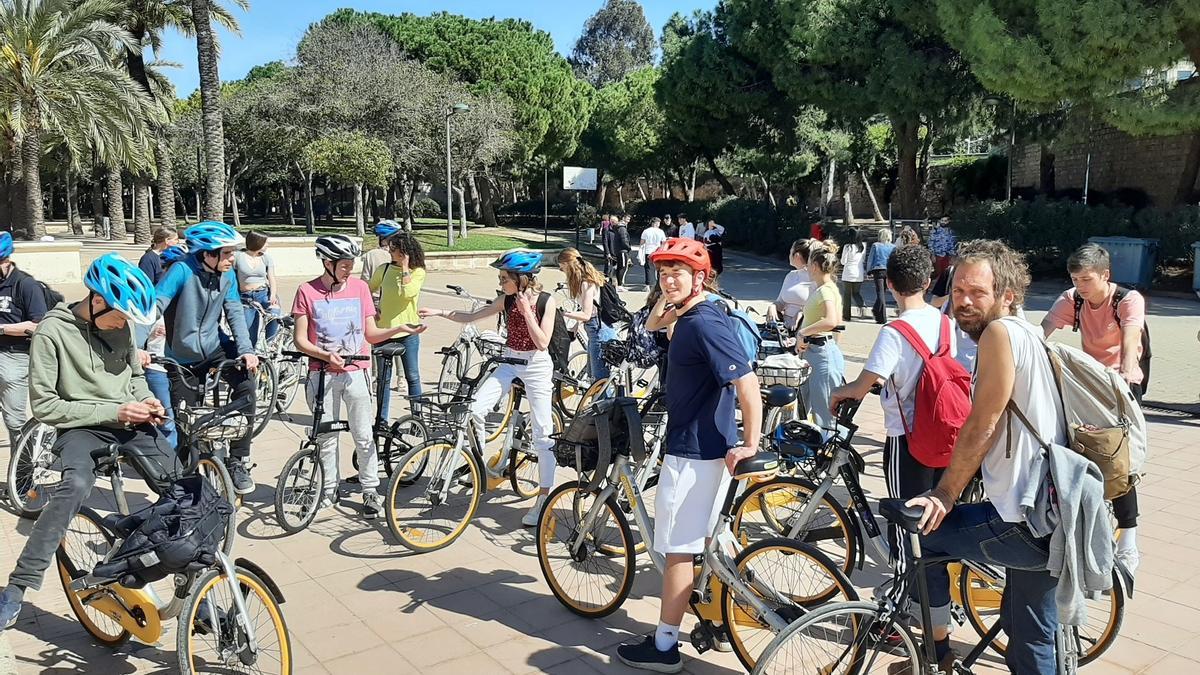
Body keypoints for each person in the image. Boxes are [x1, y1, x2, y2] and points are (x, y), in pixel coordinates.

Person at [906, 239, 1071, 674]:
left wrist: (944, 493)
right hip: (1052, 513)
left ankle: (936, 653)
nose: (963, 301)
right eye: (958, 290)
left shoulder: (999, 334)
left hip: (1021, 517)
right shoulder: (1030, 332)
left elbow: (983, 424)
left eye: (977, 292)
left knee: (927, 536)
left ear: (1007, 295)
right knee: (1031, 633)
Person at [0, 254, 170, 630]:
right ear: (96, 301)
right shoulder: (52, 333)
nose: (122, 326)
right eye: (119, 317)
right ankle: (18, 585)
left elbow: (134, 375)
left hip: (128, 418)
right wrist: (116, 412)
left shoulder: (120, 327)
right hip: (78, 427)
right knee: (74, 486)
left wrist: (146, 400)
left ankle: (188, 577)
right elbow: (45, 406)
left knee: (180, 485)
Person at [616, 237, 761, 673]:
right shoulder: (693, 313)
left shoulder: (703, 324)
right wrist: (671, 297)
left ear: (701, 276)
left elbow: (748, 386)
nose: (668, 279)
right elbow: (650, 326)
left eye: (678, 272)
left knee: (678, 552)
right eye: (662, 273)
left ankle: (663, 646)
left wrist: (750, 444)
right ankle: (719, 620)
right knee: (707, 542)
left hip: (695, 453)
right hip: (701, 447)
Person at [829, 245, 956, 661]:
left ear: (889, 284)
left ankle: (904, 622)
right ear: (927, 281)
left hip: (909, 441)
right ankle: (937, 605)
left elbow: (864, 383)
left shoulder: (895, 331)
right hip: (948, 439)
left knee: (908, 537)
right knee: (937, 529)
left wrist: (840, 392)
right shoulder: (945, 323)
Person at [418, 250, 558, 527]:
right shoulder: (505, 300)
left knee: (543, 434)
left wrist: (527, 312)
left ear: (523, 279)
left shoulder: (545, 301)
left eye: (504, 278)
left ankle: (544, 496)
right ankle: (479, 465)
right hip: (508, 361)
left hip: (536, 365)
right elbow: (473, 316)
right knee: (474, 409)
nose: (500, 282)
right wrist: (439, 312)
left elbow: (542, 342)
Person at [292, 235, 426, 518]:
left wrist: (401, 327)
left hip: (357, 372)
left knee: (364, 436)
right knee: (326, 437)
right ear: (327, 263)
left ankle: (370, 490)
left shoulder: (360, 289)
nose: (349, 269)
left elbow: (371, 333)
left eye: (352, 263)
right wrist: (326, 355)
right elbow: (300, 341)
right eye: (343, 264)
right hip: (322, 374)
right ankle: (328, 490)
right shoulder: (307, 291)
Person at [1041, 243, 1144, 574]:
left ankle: (1129, 539)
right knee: (1078, 448)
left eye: (1086, 279)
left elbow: (1130, 341)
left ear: (1105, 275)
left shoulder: (1127, 300)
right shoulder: (1073, 299)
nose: (1080, 286)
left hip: (1122, 383)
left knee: (1116, 460)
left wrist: (1126, 374)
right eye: (1075, 279)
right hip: (1089, 383)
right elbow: (1041, 333)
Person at [156, 221, 259, 494]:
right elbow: (155, 306)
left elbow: (235, 312)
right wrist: (138, 346)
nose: (232, 258)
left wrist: (246, 350)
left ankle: (238, 459)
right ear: (207, 254)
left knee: (247, 385)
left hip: (215, 348)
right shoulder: (181, 271)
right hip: (181, 355)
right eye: (226, 253)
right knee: (183, 424)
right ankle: (184, 482)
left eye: (232, 253)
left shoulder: (226, 276)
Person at [368, 231, 427, 420]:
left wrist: (405, 268)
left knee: (412, 376)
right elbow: (367, 289)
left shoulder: (418, 272)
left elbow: (408, 293)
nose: (390, 252)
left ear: (405, 252)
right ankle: (382, 420)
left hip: (409, 331)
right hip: (384, 331)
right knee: (384, 380)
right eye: (390, 248)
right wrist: (372, 308)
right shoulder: (383, 269)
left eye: (394, 249)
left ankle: (417, 419)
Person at [139, 244, 189, 449]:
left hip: (184, 368)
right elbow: (137, 331)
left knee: (185, 417)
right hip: (156, 367)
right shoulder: (151, 302)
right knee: (166, 418)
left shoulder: (191, 300)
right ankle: (168, 462)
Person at [0, 232, 48, 446]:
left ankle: (23, 475)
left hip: (14, 355)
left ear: (6, 260)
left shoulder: (26, 285)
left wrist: (2, 329)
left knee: (14, 421)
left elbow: (39, 325)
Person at [797, 244, 845, 430]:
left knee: (825, 416)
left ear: (815, 267)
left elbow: (831, 321)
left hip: (821, 354)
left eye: (809, 264)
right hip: (817, 352)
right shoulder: (827, 288)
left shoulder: (825, 290)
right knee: (811, 407)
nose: (807, 268)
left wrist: (803, 332)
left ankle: (830, 455)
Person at [557, 248, 617, 381]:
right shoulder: (581, 282)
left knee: (599, 379)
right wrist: (575, 326)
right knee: (592, 377)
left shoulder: (586, 283)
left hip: (599, 330)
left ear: (568, 265)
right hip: (593, 329)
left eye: (562, 268)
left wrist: (564, 314)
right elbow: (585, 308)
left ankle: (608, 401)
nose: (562, 272)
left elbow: (586, 314)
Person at [235, 231, 279, 346]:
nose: (267, 245)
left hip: (263, 293)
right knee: (250, 335)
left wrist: (273, 295)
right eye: (265, 242)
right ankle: (252, 356)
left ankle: (270, 344)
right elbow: (232, 278)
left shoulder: (266, 258)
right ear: (257, 242)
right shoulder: (238, 257)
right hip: (246, 297)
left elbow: (271, 278)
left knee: (275, 313)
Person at [767, 239, 819, 334]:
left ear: (797, 255)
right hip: (785, 328)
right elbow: (781, 302)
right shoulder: (791, 275)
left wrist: (802, 312)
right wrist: (773, 306)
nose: (789, 254)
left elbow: (820, 308)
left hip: (805, 330)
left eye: (791, 251)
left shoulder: (816, 278)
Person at [867, 228, 896, 324]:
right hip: (888, 270)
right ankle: (876, 310)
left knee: (880, 292)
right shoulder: (893, 247)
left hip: (878, 270)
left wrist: (868, 271)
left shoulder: (876, 245)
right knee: (882, 291)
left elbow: (871, 259)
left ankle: (882, 316)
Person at [361, 220, 403, 285]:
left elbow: (364, 281)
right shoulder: (403, 254)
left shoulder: (371, 254)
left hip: (375, 293)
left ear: (382, 238)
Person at [840, 228, 867, 321]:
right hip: (858, 273)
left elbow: (843, 261)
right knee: (856, 293)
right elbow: (863, 260)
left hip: (848, 273)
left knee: (847, 295)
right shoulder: (863, 246)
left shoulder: (847, 247)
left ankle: (846, 316)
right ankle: (862, 306)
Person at [929, 215, 957, 296]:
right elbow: (930, 243)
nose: (944, 222)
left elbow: (953, 244)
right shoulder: (935, 231)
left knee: (946, 273)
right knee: (938, 272)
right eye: (942, 220)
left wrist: (953, 255)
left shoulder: (951, 231)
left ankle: (944, 291)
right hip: (938, 254)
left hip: (948, 255)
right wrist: (932, 254)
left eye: (946, 221)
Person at [638, 217, 667, 288]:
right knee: (659, 268)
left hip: (648, 251)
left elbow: (642, 242)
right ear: (656, 223)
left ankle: (648, 285)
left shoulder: (646, 231)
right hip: (657, 251)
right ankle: (659, 284)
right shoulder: (661, 231)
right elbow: (664, 242)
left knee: (648, 268)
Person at [614, 216, 633, 286]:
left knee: (620, 267)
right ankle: (620, 284)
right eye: (627, 219)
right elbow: (624, 240)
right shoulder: (622, 229)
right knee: (622, 267)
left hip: (620, 250)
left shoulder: (620, 228)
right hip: (623, 250)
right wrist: (628, 247)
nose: (628, 221)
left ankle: (619, 283)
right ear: (623, 219)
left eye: (629, 219)